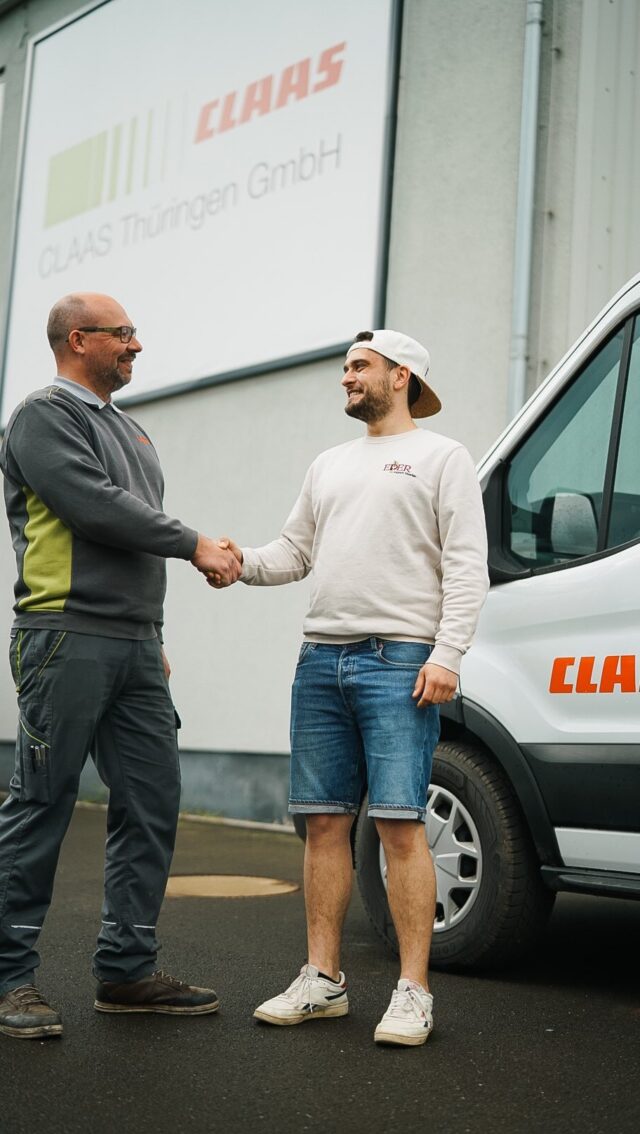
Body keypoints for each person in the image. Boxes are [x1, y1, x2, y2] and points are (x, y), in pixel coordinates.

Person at [217, 330, 489, 1047]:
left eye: (359, 368)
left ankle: (412, 992)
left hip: (400, 662)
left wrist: (447, 653)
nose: (346, 378)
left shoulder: (443, 457)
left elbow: (467, 566)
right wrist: (238, 562)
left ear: (401, 376)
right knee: (324, 823)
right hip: (320, 662)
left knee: (399, 823)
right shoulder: (329, 464)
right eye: (344, 368)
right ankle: (323, 980)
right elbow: (295, 553)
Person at [0, 292, 240, 1041]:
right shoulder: (44, 416)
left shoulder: (132, 431)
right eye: (123, 333)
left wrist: (153, 632)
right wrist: (195, 541)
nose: (137, 344)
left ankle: (126, 970)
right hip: (64, 638)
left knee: (153, 800)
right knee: (42, 803)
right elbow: (93, 507)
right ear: (80, 340)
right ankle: (10, 979)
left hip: (134, 644)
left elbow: (132, 539)